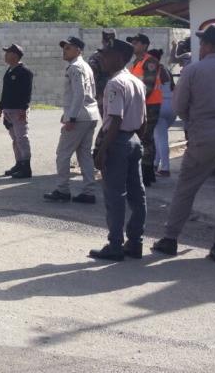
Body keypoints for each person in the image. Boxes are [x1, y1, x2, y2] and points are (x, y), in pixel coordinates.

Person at [151, 23, 215, 263]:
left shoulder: (193, 70)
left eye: (202, 43)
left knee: (186, 188)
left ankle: (170, 239)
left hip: (204, 137)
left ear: (208, 45)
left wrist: (193, 122)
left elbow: (179, 107)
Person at [89, 38, 147, 261]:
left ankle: (115, 245)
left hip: (117, 141)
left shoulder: (115, 84)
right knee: (137, 195)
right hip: (133, 139)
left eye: (107, 54)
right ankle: (135, 242)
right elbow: (142, 121)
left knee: (115, 195)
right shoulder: (136, 82)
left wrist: (103, 150)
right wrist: (136, 140)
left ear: (121, 58)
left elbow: (114, 119)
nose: (102, 58)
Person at [45, 36, 101, 204]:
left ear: (78, 50)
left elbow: (79, 93)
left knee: (63, 153)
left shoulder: (75, 67)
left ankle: (62, 190)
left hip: (80, 117)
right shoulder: (85, 66)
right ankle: (89, 191)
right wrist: (68, 113)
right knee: (84, 155)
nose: (64, 50)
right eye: (64, 47)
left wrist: (72, 117)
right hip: (90, 114)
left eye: (68, 48)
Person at [126, 33, 164, 187]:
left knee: (146, 137)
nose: (132, 45)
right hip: (141, 104)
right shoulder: (137, 62)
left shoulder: (150, 61)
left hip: (150, 104)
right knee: (143, 137)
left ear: (144, 45)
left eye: (135, 43)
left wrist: (135, 102)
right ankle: (145, 171)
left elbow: (147, 87)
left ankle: (147, 173)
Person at [0, 44, 33, 179]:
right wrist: (1, 106)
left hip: (19, 110)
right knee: (15, 139)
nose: (5, 55)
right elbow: (5, 91)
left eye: (8, 53)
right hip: (8, 109)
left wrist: (24, 108)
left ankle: (26, 167)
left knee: (22, 138)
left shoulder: (25, 72)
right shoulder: (9, 70)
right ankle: (18, 163)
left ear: (15, 56)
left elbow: (27, 92)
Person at [148, 48, 176, 177]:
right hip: (171, 105)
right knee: (159, 138)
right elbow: (173, 88)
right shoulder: (166, 70)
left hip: (159, 105)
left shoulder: (152, 70)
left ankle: (165, 168)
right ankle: (156, 163)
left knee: (160, 138)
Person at [88, 29, 116, 116]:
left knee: (107, 121)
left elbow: (91, 77)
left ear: (102, 41)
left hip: (103, 94)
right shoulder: (120, 55)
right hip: (115, 93)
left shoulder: (96, 56)